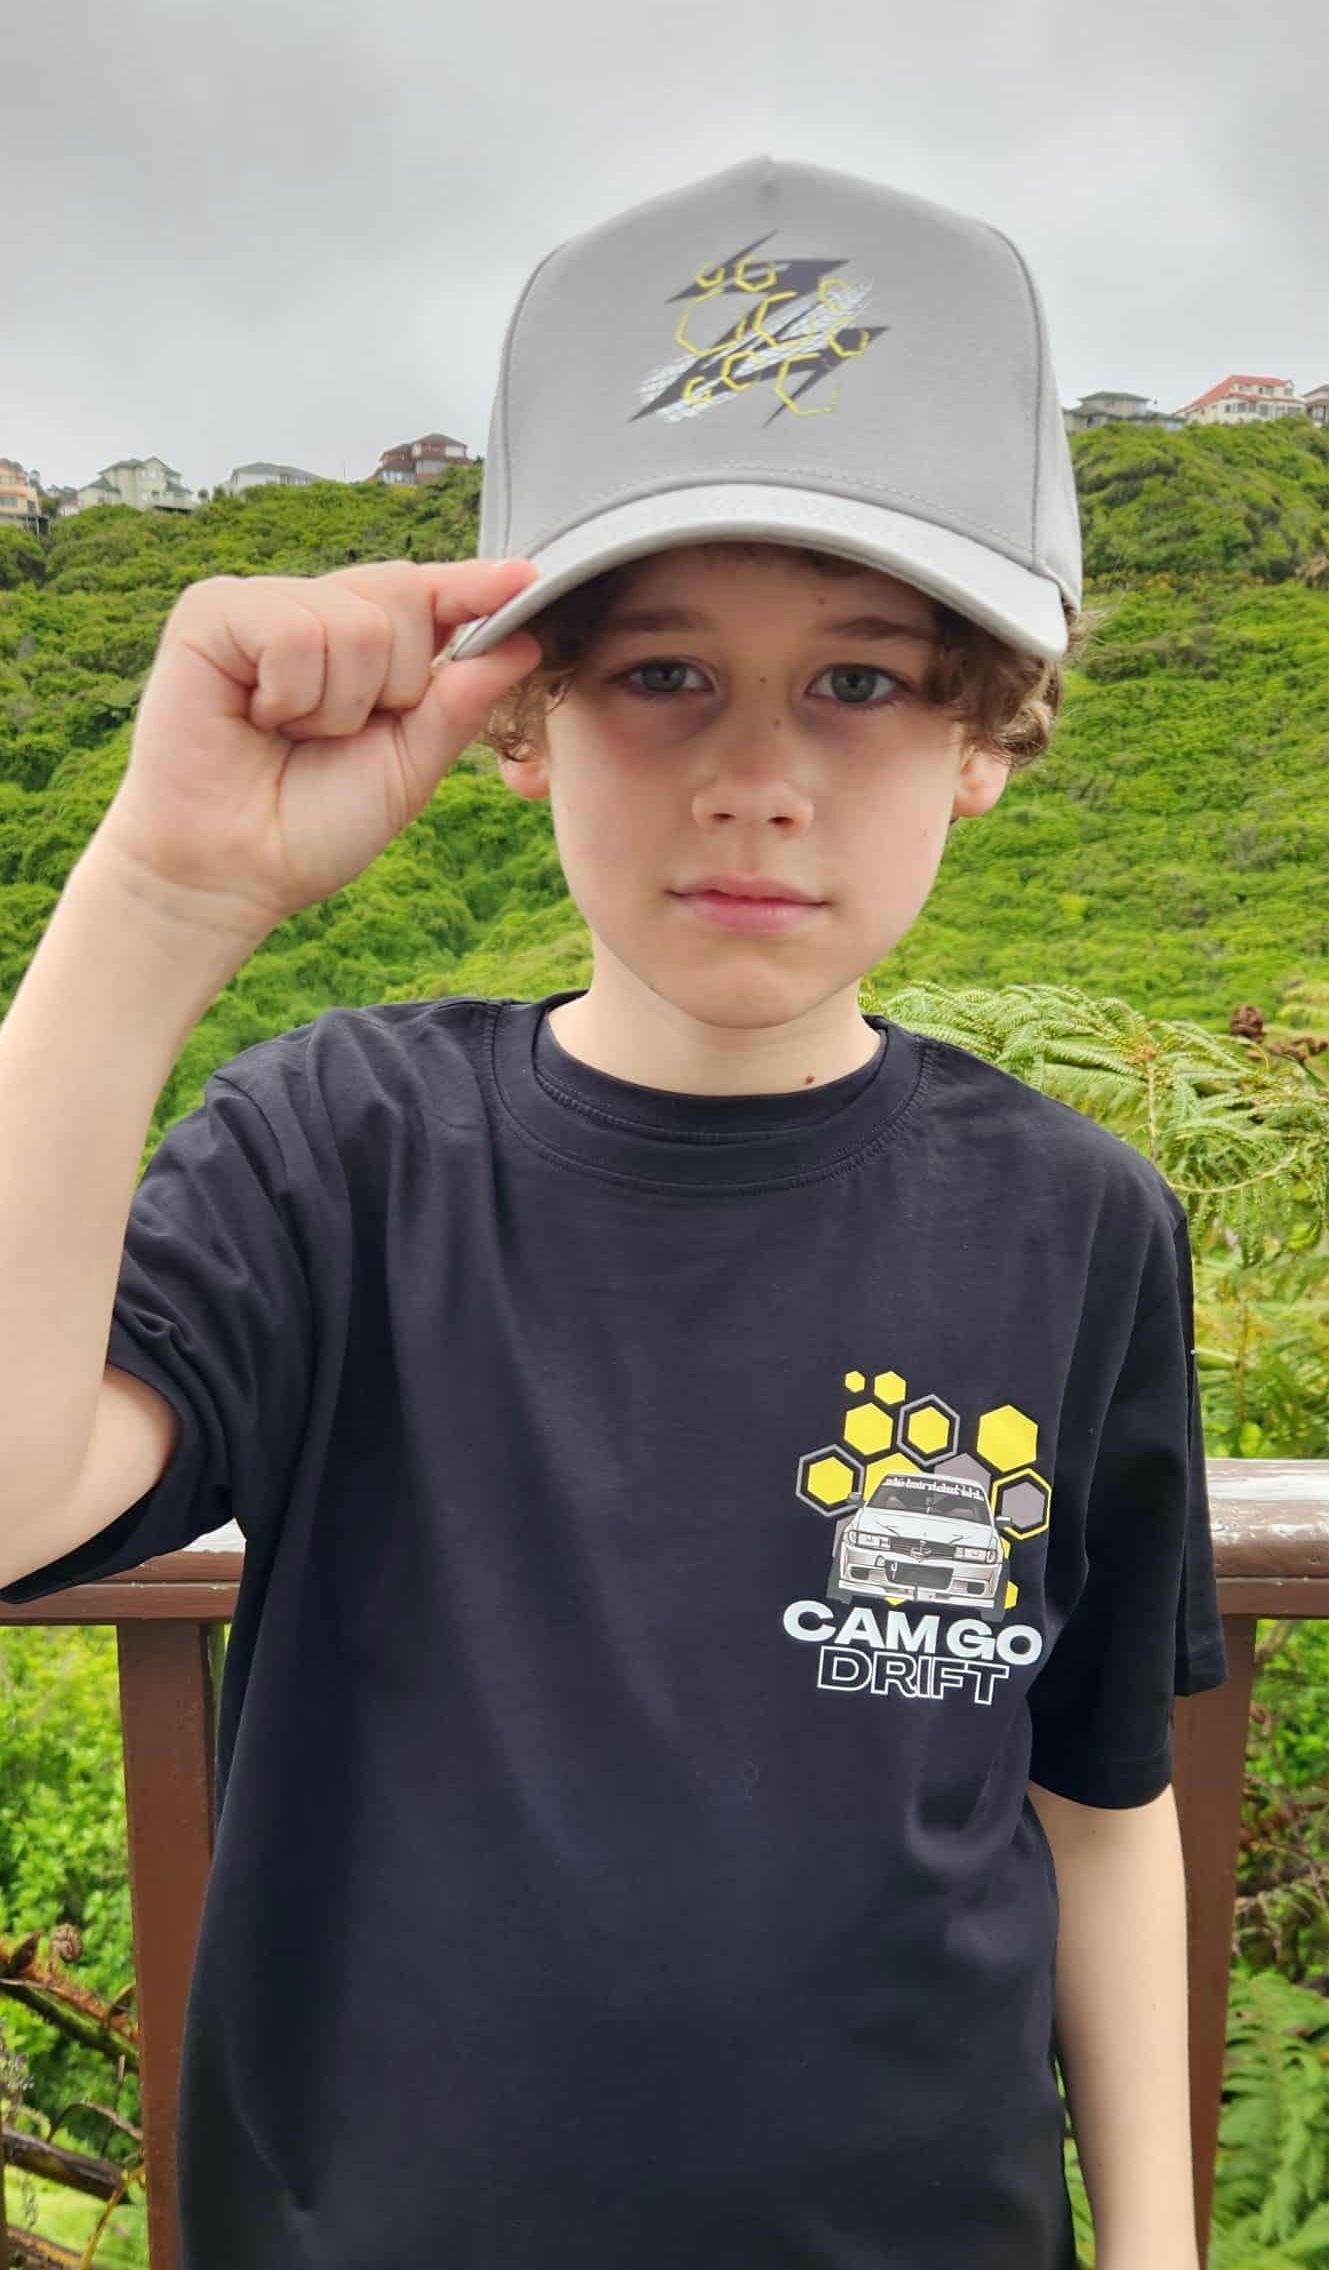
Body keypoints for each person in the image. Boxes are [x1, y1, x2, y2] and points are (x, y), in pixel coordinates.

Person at [0, 154, 1228, 2269]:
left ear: (984, 740)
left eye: (858, 679)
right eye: (661, 672)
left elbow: (1096, 1797)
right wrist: (160, 897)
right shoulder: (342, 1144)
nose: (756, 771)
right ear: (519, 715)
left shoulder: (1072, 1216)